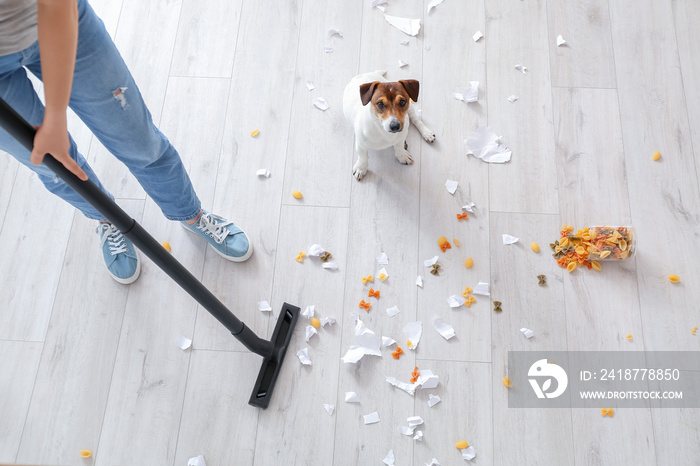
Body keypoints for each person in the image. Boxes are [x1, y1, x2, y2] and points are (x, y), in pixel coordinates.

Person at [0, 0, 252, 284]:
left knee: (139, 141)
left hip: (55, 14)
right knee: (54, 167)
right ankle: (108, 219)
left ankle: (191, 215)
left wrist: (56, 117)